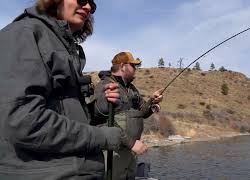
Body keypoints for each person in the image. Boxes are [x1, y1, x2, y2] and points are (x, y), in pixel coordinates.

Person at [0, 0, 146, 179]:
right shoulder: (23, 34)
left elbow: (70, 116)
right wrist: (103, 137)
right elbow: (24, 123)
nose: (88, 7)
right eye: (82, 0)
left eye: (92, 5)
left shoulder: (64, 47)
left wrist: (100, 105)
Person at [94, 52, 163, 180]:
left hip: (131, 151)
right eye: (133, 65)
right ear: (122, 66)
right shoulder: (105, 87)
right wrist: (131, 143)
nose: (136, 69)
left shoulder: (131, 89)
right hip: (113, 152)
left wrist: (152, 101)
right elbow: (101, 124)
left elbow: (141, 113)